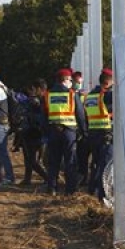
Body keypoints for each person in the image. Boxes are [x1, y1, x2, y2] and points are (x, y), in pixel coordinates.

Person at [44, 67, 87, 196]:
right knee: (70, 161)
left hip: (53, 131)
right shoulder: (72, 94)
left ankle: (52, 188)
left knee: (54, 161)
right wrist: (84, 131)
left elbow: (44, 115)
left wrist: (47, 131)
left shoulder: (48, 94)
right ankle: (70, 189)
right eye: (70, 80)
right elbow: (80, 114)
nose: (71, 82)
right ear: (66, 80)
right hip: (69, 132)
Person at [84, 68, 114, 201]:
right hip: (105, 134)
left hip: (93, 134)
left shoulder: (90, 95)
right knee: (106, 166)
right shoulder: (106, 95)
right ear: (107, 82)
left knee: (95, 163)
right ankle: (103, 195)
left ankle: (92, 189)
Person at [18, 79, 48, 185]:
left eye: (33, 89)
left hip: (32, 132)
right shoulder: (45, 99)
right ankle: (27, 179)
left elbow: (32, 116)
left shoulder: (34, 101)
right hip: (38, 132)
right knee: (30, 158)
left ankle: (47, 178)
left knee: (32, 160)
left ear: (38, 89)